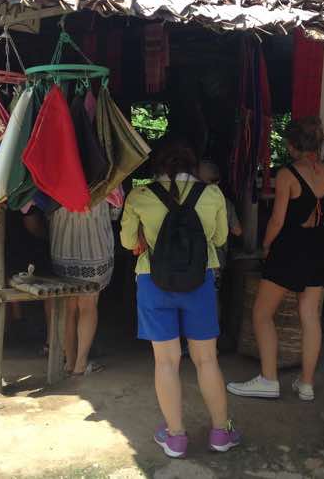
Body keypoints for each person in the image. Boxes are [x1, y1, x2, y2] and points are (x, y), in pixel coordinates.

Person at [120, 137, 241, 458]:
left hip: (152, 281)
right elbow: (218, 238)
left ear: (156, 164)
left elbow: (128, 240)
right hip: (199, 281)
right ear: (193, 164)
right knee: (206, 359)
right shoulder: (212, 194)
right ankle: (221, 433)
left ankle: (175, 437)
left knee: (166, 361)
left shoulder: (140, 196)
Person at [227, 116, 324, 402]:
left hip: (290, 249)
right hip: (320, 249)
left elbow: (277, 220)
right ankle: (307, 385)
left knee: (262, 314)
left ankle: (269, 379)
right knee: (310, 317)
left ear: (291, 144)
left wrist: (266, 244)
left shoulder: (287, 174)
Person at [49, 200, 115, 376]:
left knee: (68, 307)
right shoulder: (104, 173)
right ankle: (81, 364)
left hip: (63, 244)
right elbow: (116, 210)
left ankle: (69, 362)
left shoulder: (58, 173)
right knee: (88, 304)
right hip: (95, 246)